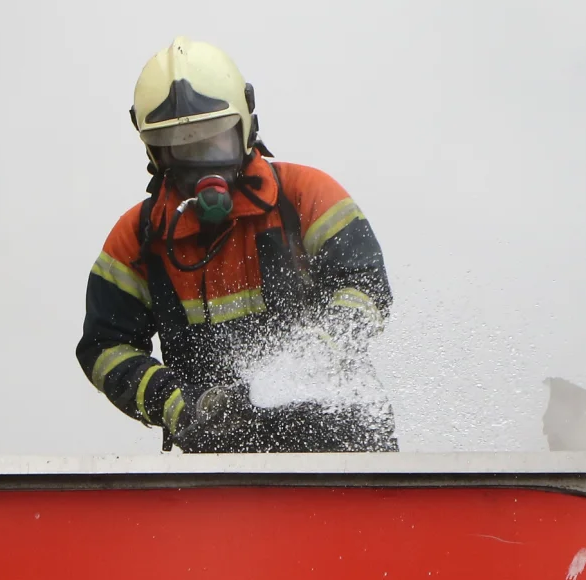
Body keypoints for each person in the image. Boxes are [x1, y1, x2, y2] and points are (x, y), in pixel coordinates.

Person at [76, 36, 396, 453]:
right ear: (155, 152)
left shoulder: (304, 196)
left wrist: (311, 358)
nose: (201, 163)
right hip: (216, 469)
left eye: (214, 142)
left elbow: (366, 285)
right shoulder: (139, 238)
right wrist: (181, 406)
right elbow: (104, 348)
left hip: (341, 448)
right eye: (182, 149)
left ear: (246, 126)